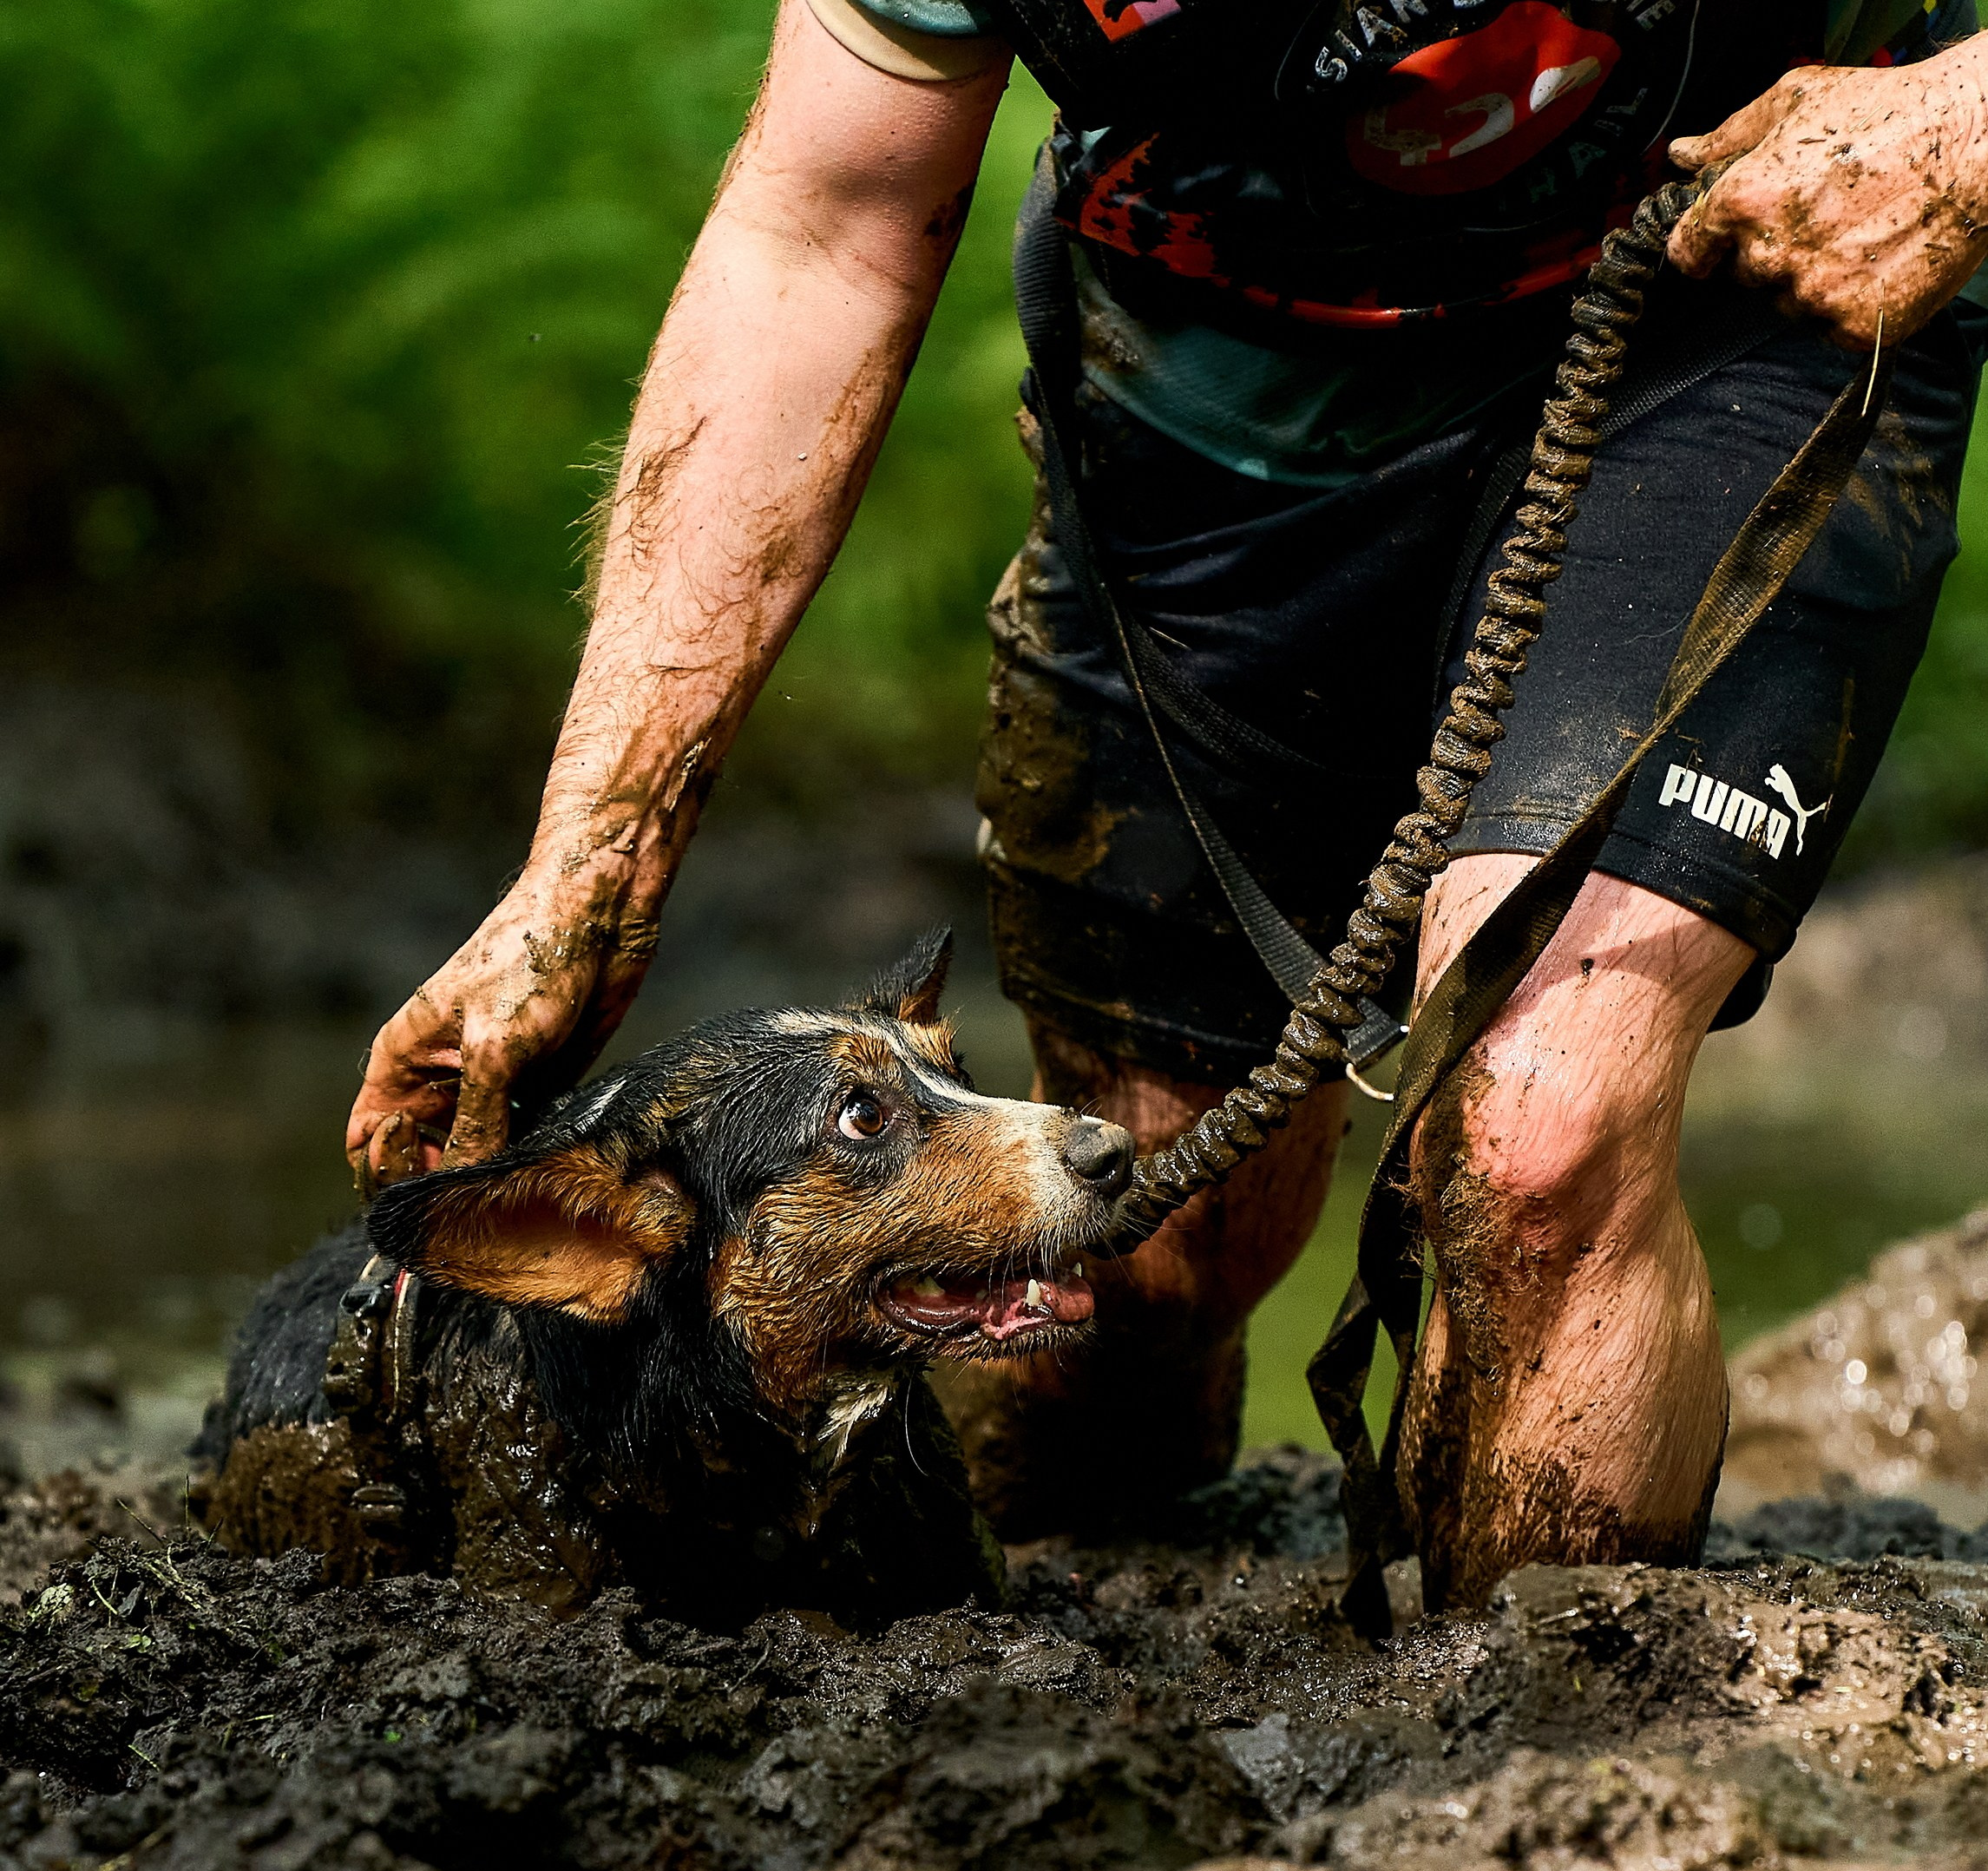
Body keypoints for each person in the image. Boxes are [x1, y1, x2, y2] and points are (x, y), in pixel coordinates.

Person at [346, 0, 1988, 1605]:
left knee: (1537, 1129)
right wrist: (584, 875)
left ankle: (1567, 1816)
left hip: (1743, 294)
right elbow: (823, 228)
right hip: (1224, 407)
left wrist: (1961, 114)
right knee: (1123, 1249)